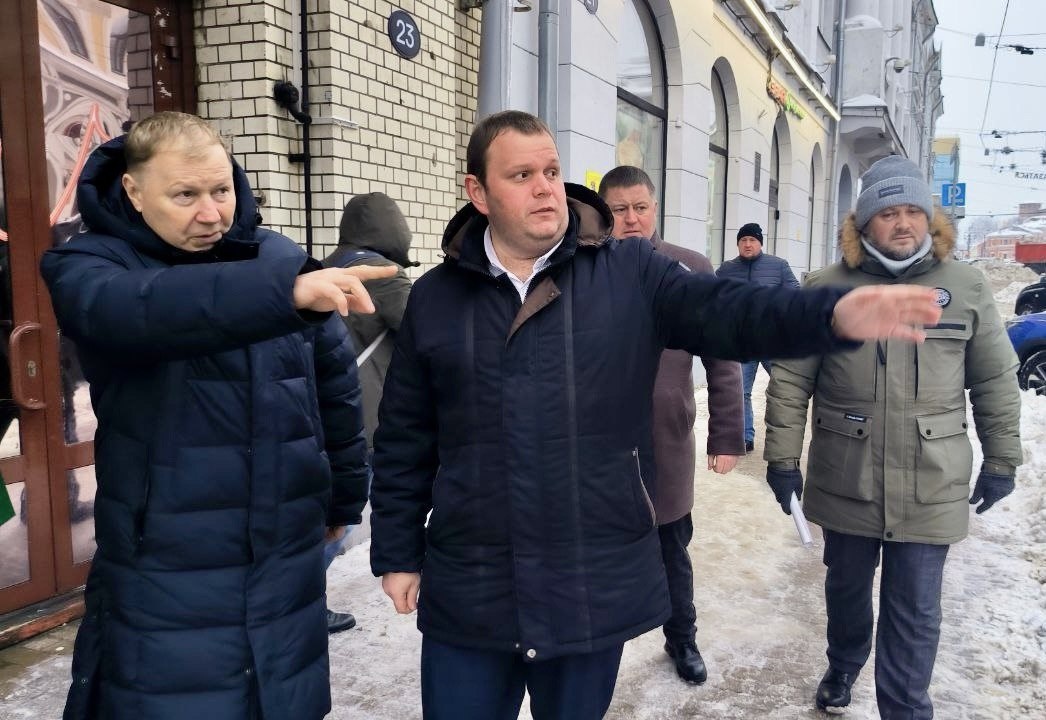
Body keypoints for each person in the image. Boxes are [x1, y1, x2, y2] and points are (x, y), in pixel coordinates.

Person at [368, 110, 943, 720]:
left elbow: (728, 310)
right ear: (478, 193)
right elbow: (405, 435)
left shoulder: (629, 271)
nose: (545, 189)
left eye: (552, 171)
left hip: (587, 580)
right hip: (472, 581)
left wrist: (826, 316)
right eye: (521, 175)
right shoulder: (437, 297)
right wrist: (398, 551)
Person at [39, 111, 395, 720]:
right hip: (168, 557)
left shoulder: (278, 256)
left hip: (283, 549)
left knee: (280, 697)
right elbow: (142, 310)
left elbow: (333, 389)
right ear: (133, 191)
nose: (211, 213)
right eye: (185, 195)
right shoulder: (91, 266)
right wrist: (282, 292)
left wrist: (342, 499)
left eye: (221, 190)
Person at [763, 155, 1022, 718]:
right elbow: (791, 377)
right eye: (888, 213)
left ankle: (905, 708)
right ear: (863, 223)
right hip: (847, 475)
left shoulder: (966, 286)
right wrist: (781, 458)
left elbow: (995, 379)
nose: (903, 223)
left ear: (929, 218)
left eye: (913, 211)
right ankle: (844, 661)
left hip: (931, 480)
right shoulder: (826, 288)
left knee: (916, 608)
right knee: (846, 589)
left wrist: (1002, 458)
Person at [598, 165, 744, 685]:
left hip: (665, 441)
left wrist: (727, 434)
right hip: (598, 445)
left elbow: (722, 356)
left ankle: (682, 638)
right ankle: (596, 650)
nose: (631, 219)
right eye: (619, 209)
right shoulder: (585, 268)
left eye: (640, 207)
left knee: (670, 549)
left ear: (654, 209)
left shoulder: (689, 268)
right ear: (603, 213)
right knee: (600, 555)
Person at [320, 191, 415, 633]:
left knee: (328, 514)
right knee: (341, 519)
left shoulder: (326, 268)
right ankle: (301, 605)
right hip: (367, 418)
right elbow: (425, 331)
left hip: (327, 413)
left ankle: (298, 604)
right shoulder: (383, 276)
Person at [715, 222, 800, 453]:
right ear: (738, 244)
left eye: (752, 240)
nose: (747, 244)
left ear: (760, 243)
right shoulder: (726, 269)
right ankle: (745, 437)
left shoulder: (779, 266)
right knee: (741, 392)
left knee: (785, 389)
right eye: (743, 240)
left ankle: (784, 436)